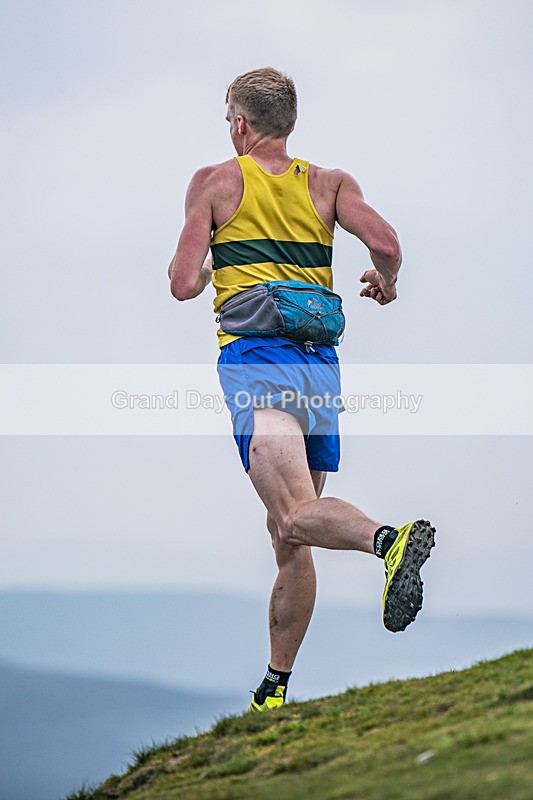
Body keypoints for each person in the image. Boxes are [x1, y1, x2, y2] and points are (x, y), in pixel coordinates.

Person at [168, 67, 435, 712]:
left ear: (239, 123)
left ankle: (388, 541)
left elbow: (181, 285)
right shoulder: (330, 183)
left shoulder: (215, 182)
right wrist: (386, 281)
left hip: (258, 364)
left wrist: (208, 266)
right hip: (320, 368)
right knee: (289, 536)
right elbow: (387, 243)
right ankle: (276, 686)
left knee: (291, 516)